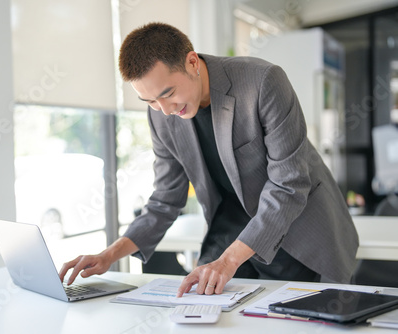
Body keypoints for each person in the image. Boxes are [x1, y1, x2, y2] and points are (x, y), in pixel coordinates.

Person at [59, 22, 359, 297]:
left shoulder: (262, 82)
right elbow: (165, 199)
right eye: (150, 101)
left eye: (168, 93)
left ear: (192, 62)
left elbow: (289, 184)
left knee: (290, 317)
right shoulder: (161, 117)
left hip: (293, 226)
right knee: (201, 308)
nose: (164, 110)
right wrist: (109, 255)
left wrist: (228, 261)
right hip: (228, 226)